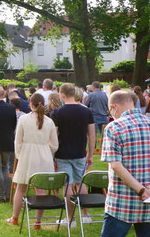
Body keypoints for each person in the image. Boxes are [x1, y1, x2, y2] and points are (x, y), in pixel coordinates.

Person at [100, 90, 150, 236]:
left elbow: (115, 165)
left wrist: (142, 190)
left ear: (114, 107)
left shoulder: (114, 127)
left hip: (122, 202)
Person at [6, 93, 59, 226]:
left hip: (27, 156)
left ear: (31, 104)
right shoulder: (49, 121)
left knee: (21, 188)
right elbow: (54, 145)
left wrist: (20, 155)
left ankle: (15, 218)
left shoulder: (24, 119)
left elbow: (17, 141)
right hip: (44, 157)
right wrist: (47, 152)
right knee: (41, 190)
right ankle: (37, 221)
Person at [51, 83, 95, 226]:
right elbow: (92, 136)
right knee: (80, 182)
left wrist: (52, 154)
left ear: (62, 95)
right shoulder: (86, 111)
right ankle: (86, 215)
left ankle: (71, 219)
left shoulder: (57, 112)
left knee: (67, 186)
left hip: (63, 153)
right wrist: (91, 154)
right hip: (80, 152)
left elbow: (54, 135)